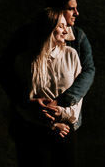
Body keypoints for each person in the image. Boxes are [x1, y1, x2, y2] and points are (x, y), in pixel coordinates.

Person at [11, 9, 82, 166]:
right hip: (34, 132)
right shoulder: (24, 61)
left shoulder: (71, 55)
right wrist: (49, 124)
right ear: (48, 28)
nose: (66, 31)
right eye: (61, 26)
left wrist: (63, 114)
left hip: (66, 130)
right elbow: (20, 100)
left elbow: (78, 96)